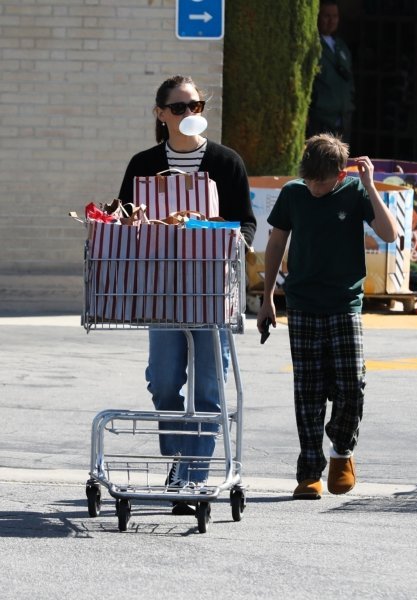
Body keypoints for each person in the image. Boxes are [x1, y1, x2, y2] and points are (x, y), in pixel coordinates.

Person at [118, 75, 256, 514]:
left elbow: (246, 222)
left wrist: (233, 239)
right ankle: (180, 458)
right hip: (162, 292)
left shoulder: (225, 161)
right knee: (162, 382)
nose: (188, 115)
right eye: (178, 108)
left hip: (212, 292)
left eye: (195, 106)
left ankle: (191, 483)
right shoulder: (143, 164)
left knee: (209, 390)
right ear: (160, 114)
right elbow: (123, 219)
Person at [257, 133, 397, 500]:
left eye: (323, 181)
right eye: (310, 180)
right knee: (308, 392)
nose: (315, 188)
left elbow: (389, 233)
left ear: (339, 174)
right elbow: (276, 242)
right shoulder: (293, 194)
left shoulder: (354, 191)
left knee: (352, 384)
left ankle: (342, 452)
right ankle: (308, 472)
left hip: (344, 303)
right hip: (302, 303)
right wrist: (268, 296)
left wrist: (369, 184)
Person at [306, 0, 355, 144]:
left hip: (342, 117)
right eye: (326, 16)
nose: (331, 21)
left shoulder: (341, 46)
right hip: (321, 117)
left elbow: (349, 79)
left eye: (335, 16)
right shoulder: (313, 45)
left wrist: (349, 104)